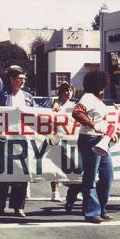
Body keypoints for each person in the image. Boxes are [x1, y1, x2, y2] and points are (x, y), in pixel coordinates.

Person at [0, 43, 35, 217]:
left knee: (21, 174)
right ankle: (1, 206)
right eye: (19, 78)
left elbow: (37, 117)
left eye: (24, 78)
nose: (22, 81)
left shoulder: (28, 97)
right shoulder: (3, 92)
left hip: (22, 140)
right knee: (3, 174)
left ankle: (18, 206)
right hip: (3, 140)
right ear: (11, 79)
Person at [72, 70, 120, 224]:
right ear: (100, 84)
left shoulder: (98, 100)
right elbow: (77, 113)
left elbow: (103, 120)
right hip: (89, 138)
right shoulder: (88, 97)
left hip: (101, 139)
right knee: (91, 177)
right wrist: (94, 126)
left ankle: (100, 208)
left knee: (107, 176)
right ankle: (92, 212)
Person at [50, 82, 83, 212]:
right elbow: (49, 115)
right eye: (66, 90)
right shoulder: (55, 103)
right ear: (61, 92)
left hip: (71, 139)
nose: (69, 93)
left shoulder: (73, 105)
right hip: (57, 138)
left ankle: (74, 189)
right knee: (55, 165)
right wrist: (54, 109)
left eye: (70, 91)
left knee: (73, 165)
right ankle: (55, 192)